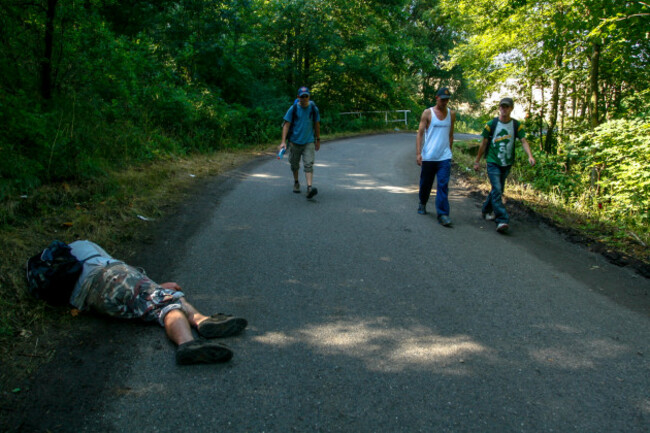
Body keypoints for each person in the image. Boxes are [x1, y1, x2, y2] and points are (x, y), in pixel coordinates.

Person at [68, 240, 248, 365]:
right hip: (109, 275)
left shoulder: (61, 262)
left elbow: (129, 292)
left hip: (92, 301)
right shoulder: (83, 246)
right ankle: (187, 344)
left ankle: (201, 321)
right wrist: (156, 290)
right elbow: (119, 277)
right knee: (165, 302)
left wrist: (157, 288)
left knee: (167, 296)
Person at [473, 97, 536, 233]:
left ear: (511, 108)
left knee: (498, 190)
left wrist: (530, 156)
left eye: (506, 107)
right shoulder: (491, 124)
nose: (504, 109)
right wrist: (477, 161)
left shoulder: (516, 125)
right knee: (497, 188)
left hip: (507, 163)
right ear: (499, 108)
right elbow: (483, 143)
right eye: (502, 106)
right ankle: (502, 220)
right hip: (493, 161)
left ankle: (485, 210)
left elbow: (524, 141)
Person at [416, 87, 456, 226]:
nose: (445, 102)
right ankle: (422, 202)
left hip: (444, 157)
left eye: (447, 100)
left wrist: (449, 152)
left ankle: (443, 214)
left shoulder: (452, 114)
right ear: (436, 98)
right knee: (426, 184)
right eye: (442, 99)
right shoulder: (428, 113)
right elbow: (420, 133)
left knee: (443, 185)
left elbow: (451, 135)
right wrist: (418, 153)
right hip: (429, 156)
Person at [279, 86, 321, 199]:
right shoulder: (293, 108)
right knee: (294, 165)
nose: (304, 98)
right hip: (294, 142)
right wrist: (283, 142)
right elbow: (286, 125)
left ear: (309, 96)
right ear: (298, 97)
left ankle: (309, 188)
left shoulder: (313, 109)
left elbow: (317, 124)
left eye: (306, 96)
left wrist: (318, 139)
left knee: (308, 164)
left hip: (309, 141)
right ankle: (296, 182)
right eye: (302, 96)